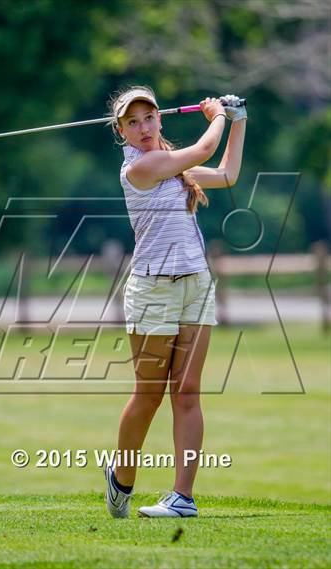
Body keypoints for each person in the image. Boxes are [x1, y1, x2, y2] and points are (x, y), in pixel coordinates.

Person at [104, 85, 247, 518]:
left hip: (195, 285)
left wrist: (238, 124)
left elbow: (226, 174)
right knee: (149, 394)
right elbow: (204, 147)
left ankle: (182, 498)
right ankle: (121, 479)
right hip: (152, 289)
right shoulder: (141, 169)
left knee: (186, 393)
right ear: (121, 131)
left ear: (160, 120)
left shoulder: (175, 170)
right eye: (133, 121)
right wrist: (217, 113)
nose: (143, 127)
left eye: (149, 118)